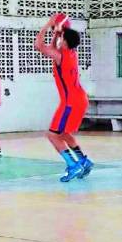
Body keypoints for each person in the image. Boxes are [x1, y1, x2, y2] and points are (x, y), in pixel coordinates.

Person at [34, 16, 94, 182]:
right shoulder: (70, 53)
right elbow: (53, 47)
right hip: (79, 99)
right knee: (64, 133)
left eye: (61, 37)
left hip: (70, 102)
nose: (59, 38)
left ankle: (73, 165)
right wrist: (57, 33)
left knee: (52, 135)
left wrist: (49, 25)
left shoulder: (62, 56)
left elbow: (38, 46)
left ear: (65, 42)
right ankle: (83, 160)